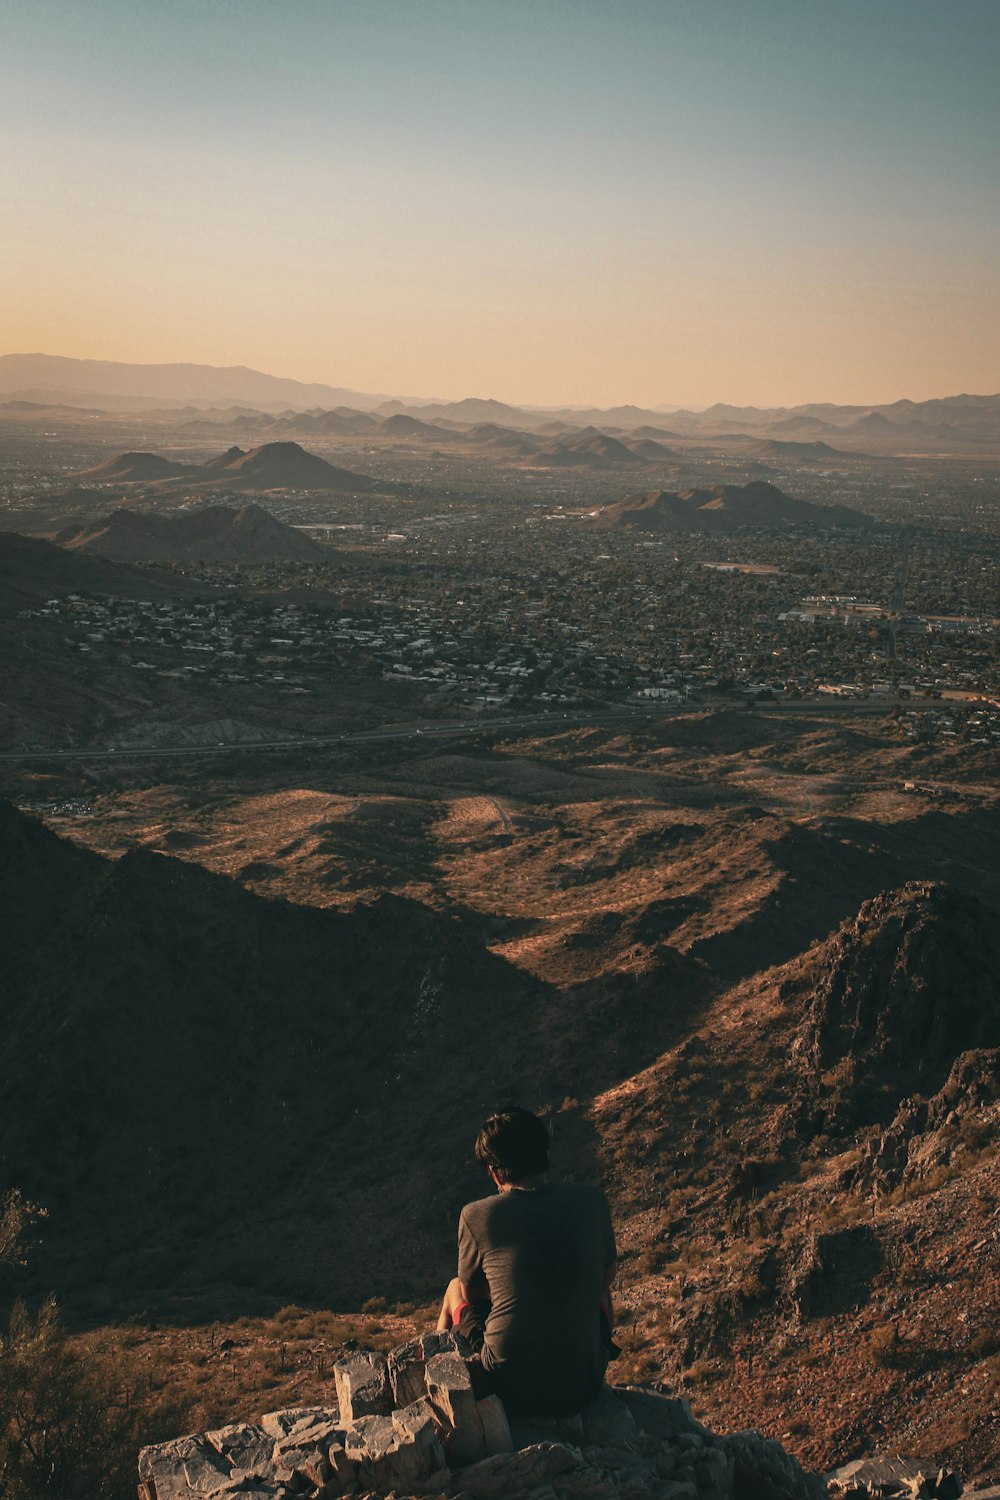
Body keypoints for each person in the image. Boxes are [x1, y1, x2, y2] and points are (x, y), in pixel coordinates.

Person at [437, 1106, 618, 1419]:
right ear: (545, 1153)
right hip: (583, 1384)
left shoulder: (477, 1215)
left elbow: (473, 1296)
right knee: (600, 1291)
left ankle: (438, 1386)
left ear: (494, 1171)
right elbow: (605, 1279)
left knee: (454, 1289)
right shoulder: (593, 1199)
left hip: (510, 1388)